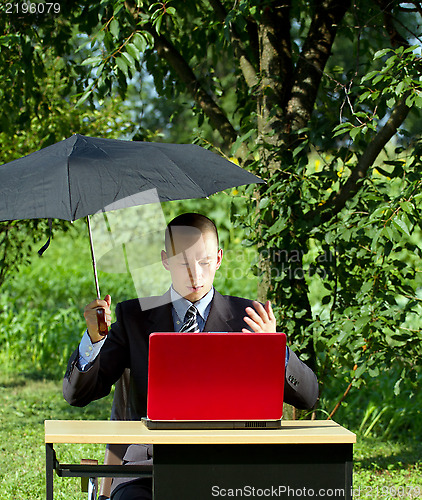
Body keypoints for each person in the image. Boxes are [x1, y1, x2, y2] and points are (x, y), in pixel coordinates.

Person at [63, 212, 318, 500]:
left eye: (205, 262)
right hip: (149, 469)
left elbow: (308, 398)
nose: (195, 275)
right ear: (165, 260)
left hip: (229, 469)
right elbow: (77, 396)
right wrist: (94, 341)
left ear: (219, 259)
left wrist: (274, 350)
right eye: (183, 263)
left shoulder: (246, 318)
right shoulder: (133, 317)